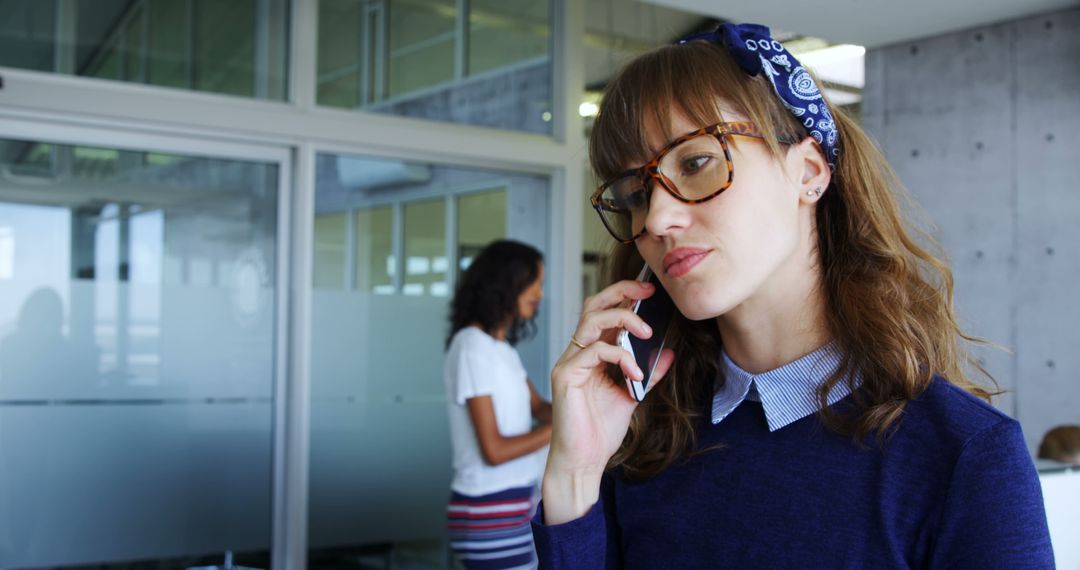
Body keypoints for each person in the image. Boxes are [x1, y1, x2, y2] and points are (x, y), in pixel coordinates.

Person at [532, 23, 1055, 568]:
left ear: (806, 172)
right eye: (635, 194)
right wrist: (575, 474)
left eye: (695, 163)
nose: (658, 218)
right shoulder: (642, 437)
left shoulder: (961, 455)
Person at [444, 239, 553, 569]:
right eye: (534, 284)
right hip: (488, 508)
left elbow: (540, 409)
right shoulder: (471, 346)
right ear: (507, 283)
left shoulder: (501, 350)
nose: (540, 294)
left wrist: (587, 401)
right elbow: (495, 450)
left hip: (513, 503)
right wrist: (562, 426)